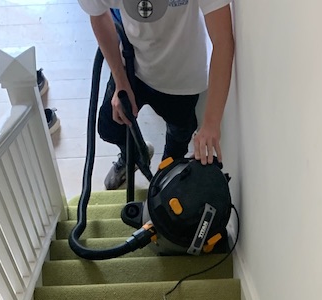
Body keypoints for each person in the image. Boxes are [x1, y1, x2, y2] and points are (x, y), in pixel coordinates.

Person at [76, 0, 235, 189]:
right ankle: (134, 155)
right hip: (132, 63)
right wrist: (120, 81)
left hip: (182, 77)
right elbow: (99, 16)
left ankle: (166, 179)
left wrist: (211, 124)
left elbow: (223, 40)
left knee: (178, 138)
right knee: (110, 127)